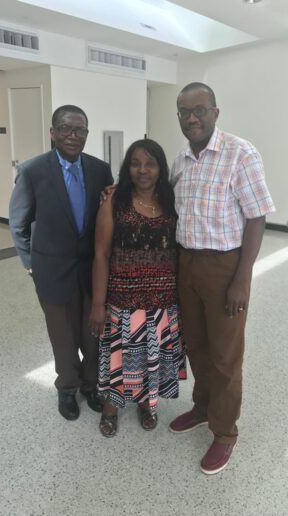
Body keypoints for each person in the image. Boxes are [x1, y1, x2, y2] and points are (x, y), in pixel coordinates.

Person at [168, 83, 276, 475]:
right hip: (187, 264)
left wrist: (242, 278)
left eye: (199, 110)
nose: (192, 118)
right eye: (184, 112)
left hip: (224, 267)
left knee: (225, 356)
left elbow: (257, 217)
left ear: (215, 112)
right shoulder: (180, 160)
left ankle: (225, 431)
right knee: (196, 346)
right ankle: (202, 408)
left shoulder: (240, 153)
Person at [9, 104, 113, 421]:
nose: (72, 135)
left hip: (92, 270)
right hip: (52, 271)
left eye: (80, 129)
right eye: (65, 128)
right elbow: (18, 223)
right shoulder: (33, 171)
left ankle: (91, 384)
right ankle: (67, 388)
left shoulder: (100, 170)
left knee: (93, 334)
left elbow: (107, 218)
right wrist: (30, 264)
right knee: (63, 337)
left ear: (87, 134)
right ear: (53, 132)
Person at [90, 139, 186, 437]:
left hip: (162, 302)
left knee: (150, 357)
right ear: (126, 168)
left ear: (161, 168)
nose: (143, 170)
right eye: (135, 164)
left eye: (150, 164)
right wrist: (98, 304)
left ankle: (146, 401)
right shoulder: (114, 201)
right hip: (123, 301)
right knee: (119, 359)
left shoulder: (171, 200)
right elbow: (101, 254)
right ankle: (110, 408)